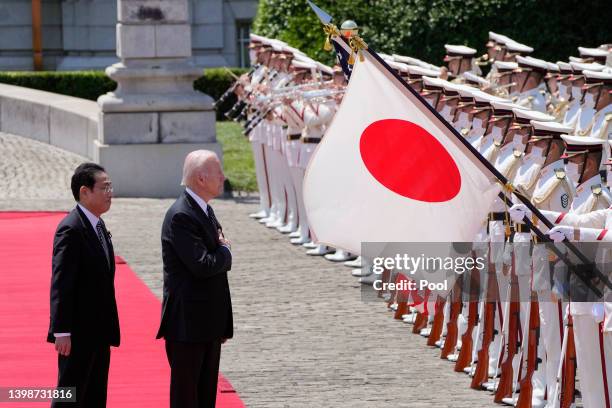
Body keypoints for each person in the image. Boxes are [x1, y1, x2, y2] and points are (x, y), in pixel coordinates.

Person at [156, 150, 233, 408]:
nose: (223, 177)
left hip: (206, 324)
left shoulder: (203, 210)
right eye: (218, 172)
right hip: (188, 326)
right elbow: (203, 264)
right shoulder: (182, 215)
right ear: (201, 178)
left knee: (205, 396)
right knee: (187, 398)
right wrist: (224, 251)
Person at [48, 163, 119, 408]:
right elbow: (61, 282)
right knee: (70, 396)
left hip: (98, 330)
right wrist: (62, 331)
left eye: (111, 187)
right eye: (104, 187)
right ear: (84, 192)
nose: (110, 193)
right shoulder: (71, 228)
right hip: (78, 333)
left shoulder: (97, 225)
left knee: (95, 396)